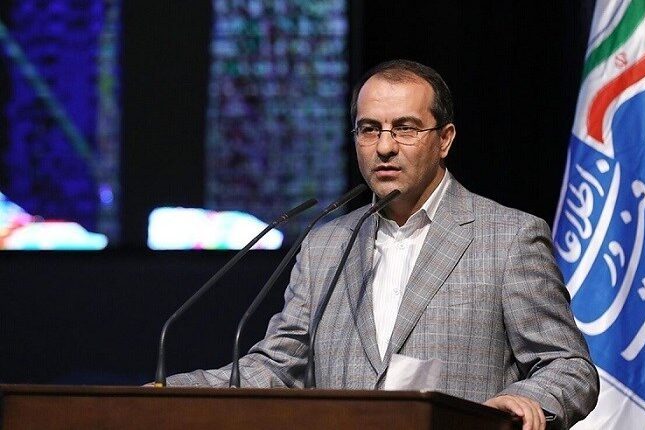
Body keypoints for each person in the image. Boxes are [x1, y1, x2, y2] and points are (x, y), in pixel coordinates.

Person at [166, 59, 599, 430]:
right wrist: (167, 392)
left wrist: (525, 399)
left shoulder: (508, 237)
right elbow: (277, 367)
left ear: (444, 139)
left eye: (405, 129)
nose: (385, 147)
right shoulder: (325, 245)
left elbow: (569, 367)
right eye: (369, 130)